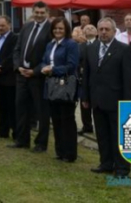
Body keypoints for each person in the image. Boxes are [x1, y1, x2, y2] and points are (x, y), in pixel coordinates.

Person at [82, 17, 131, 178]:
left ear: (114, 31)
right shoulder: (91, 49)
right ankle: (105, 163)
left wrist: (128, 102)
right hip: (97, 100)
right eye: (101, 29)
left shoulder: (123, 49)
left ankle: (121, 168)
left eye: (107, 29)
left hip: (116, 100)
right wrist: (85, 96)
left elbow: (130, 78)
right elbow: (87, 74)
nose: (104, 32)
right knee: (102, 135)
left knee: (118, 136)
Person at [10, 1, 52, 152]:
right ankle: (22, 140)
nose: (39, 15)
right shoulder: (27, 26)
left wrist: (35, 71)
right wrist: (17, 66)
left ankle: (41, 143)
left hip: (39, 77)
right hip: (22, 75)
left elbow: (49, 56)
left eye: (42, 13)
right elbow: (17, 49)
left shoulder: (51, 29)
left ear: (47, 13)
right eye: (37, 12)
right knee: (21, 107)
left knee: (41, 111)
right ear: (32, 12)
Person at [37, 17, 79, 163]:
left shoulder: (71, 44)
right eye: (55, 28)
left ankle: (70, 153)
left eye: (61, 28)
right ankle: (60, 151)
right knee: (55, 119)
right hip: (51, 85)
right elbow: (44, 59)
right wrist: (44, 67)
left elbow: (71, 66)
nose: (58, 31)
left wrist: (53, 69)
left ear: (66, 29)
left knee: (66, 119)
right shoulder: (50, 44)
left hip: (66, 85)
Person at [73, 27, 93, 136]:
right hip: (83, 77)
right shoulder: (80, 46)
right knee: (84, 102)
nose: (89, 30)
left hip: (96, 79)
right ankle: (87, 126)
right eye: (87, 29)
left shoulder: (99, 44)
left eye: (92, 28)